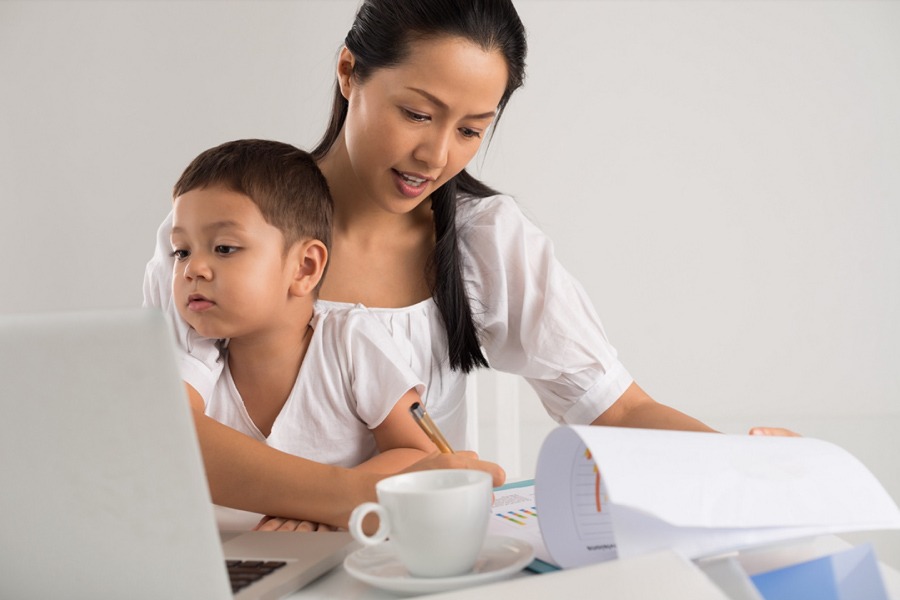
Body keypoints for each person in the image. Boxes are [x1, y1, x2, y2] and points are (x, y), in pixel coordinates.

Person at [144, 0, 792, 530]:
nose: (435, 154)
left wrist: (742, 465)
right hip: (228, 565)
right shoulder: (221, 232)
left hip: (415, 565)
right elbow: (163, 430)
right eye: (417, 113)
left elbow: (616, 411)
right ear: (348, 71)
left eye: (471, 129)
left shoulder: (487, 241)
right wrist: (345, 496)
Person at [170, 139, 441, 476]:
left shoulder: (350, 342)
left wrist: (326, 509)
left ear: (305, 267)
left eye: (224, 248)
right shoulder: (194, 354)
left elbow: (421, 453)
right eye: (181, 251)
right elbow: (166, 449)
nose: (192, 269)